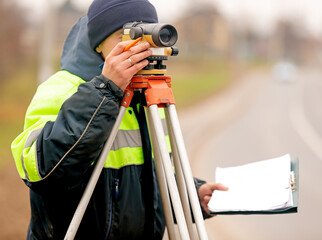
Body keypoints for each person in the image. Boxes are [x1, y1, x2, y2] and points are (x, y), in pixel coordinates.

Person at [11, 0, 228, 239]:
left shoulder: (144, 96)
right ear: (98, 44)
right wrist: (105, 91)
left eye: (146, 35)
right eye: (127, 36)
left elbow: (150, 178)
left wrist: (192, 194)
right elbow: (42, 171)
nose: (140, 48)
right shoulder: (61, 89)